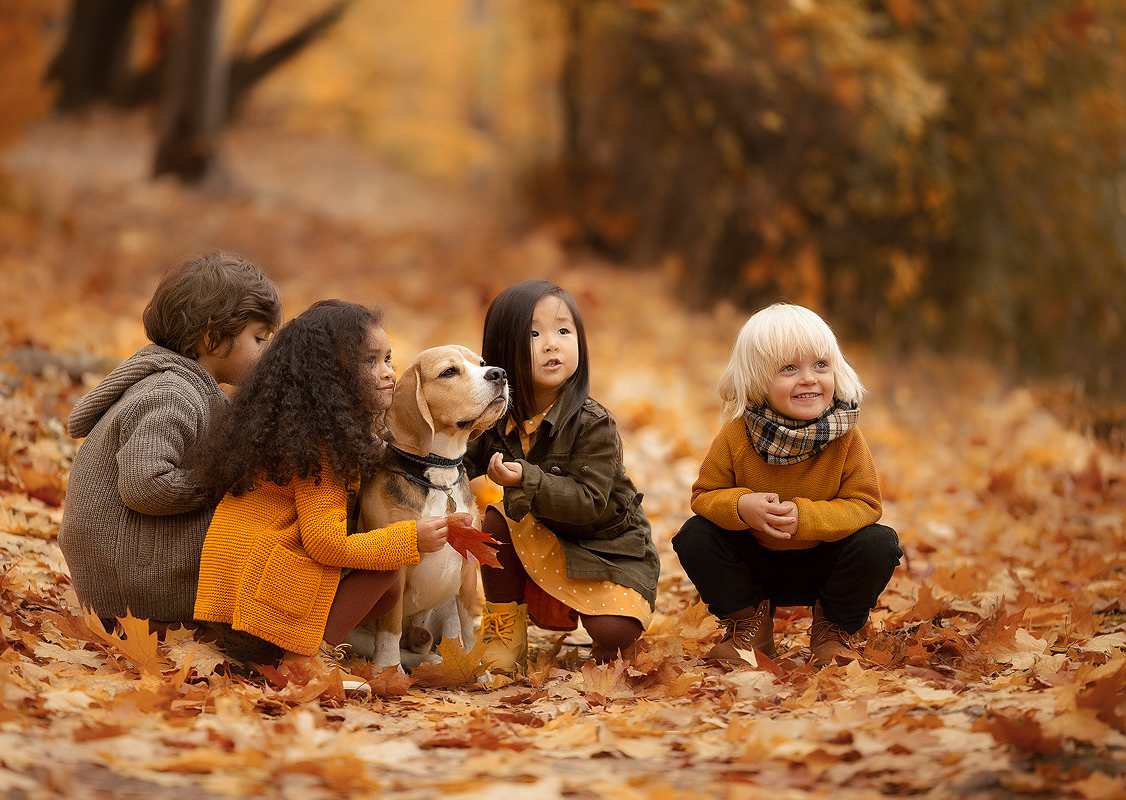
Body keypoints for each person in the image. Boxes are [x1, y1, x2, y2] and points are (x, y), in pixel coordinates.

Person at [192, 300, 450, 685]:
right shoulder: (318, 453)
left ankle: (291, 653)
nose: (387, 372)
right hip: (257, 611)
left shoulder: (287, 429)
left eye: (387, 358)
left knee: (388, 592)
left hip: (232, 604)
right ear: (329, 376)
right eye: (369, 361)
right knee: (386, 566)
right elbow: (326, 545)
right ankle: (301, 662)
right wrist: (411, 537)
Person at [58, 251, 281, 630]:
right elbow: (145, 486)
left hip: (131, 572)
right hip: (135, 588)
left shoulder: (188, 387)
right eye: (259, 339)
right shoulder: (172, 394)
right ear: (213, 339)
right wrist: (223, 481)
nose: (266, 352)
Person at [673, 303, 902, 665]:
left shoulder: (845, 437)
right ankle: (750, 625)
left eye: (820, 365)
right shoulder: (737, 434)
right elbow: (704, 496)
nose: (809, 378)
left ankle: (833, 630)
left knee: (879, 543)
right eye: (789, 368)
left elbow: (866, 505)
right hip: (756, 564)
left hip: (824, 563)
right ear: (757, 381)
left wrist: (805, 518)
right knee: (695, 535)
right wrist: (742, 506)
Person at [466, 279, 661, 672]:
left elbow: (589, 503)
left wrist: (526, 479)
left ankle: (609, 629)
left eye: (563, 331)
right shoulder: (496, 420)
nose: (551, 344)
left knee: (614, 632)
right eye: (533, 334)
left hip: (608, 547)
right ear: (502, 350)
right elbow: (459, 461)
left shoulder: (594, 423)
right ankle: (504, 629)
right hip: (544, 539)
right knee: (497, 519)